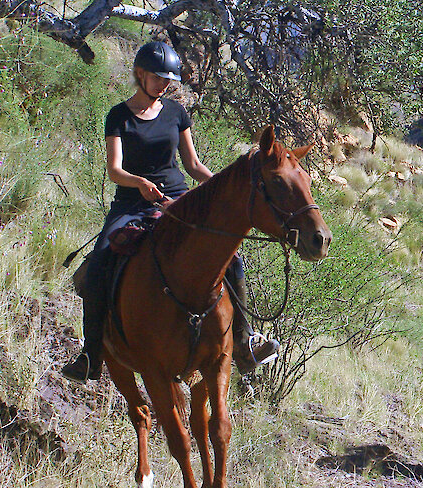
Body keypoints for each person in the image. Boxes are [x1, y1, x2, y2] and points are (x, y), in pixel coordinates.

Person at [60, 41, 278, 382]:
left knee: (232, 256)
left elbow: (192, 164)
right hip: (133, 201)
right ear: (140, 74)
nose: (164, 84)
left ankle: (245, 339)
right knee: (101, 260)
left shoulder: (176, 113)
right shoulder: (118, 116)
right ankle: (91, 354)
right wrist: (140, 183)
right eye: (159, 77)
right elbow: (115, 170)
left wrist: (220, 188)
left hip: (179, 198)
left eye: (168, 79)